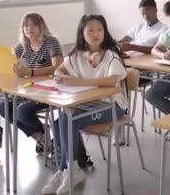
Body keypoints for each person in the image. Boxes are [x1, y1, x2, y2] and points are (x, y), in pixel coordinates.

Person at [42, 14, 128, 194]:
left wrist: (78, 81)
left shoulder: (111, 55)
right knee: (60, 121)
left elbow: (112, 81)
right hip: (89, 103)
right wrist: (60, 75)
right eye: (91, 30)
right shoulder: (77, 55)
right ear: (82, 33)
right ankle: (68, 169)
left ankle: (70, 169)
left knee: (70, 118)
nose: (96, 34)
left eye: (99, 30)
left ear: (105, 32)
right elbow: (60, 68)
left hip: (113, 105)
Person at [0, 13, 63, 154]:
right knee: (3, 106)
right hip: (31, 89)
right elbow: (10, 61)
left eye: (33, 25)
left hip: (49, 91)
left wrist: (30, 72)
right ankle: (41, 136)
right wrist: (7, 66)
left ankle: (43, 134)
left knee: (21, 110)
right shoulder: (23, 45)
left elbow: (58, 67)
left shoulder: (51, 42)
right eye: (26, 25)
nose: (29, 28)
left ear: (41, 27)